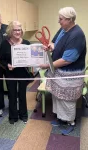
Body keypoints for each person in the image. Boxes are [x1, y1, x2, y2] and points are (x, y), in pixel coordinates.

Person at [40, 7, 86, 135]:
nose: (58, 21)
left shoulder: (77, 35)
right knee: (58, 96)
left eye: (61, 19)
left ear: (70, 20)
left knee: (67, 100)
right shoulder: (64, 29)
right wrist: (51, 46)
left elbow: (67, 60)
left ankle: (70, 122)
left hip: (70, 75)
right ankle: (61, 118)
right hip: (59, 73)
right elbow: (55, 43)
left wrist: (47, 65)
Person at [0, 21, 30, 124]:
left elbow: (31, 58)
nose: (17, 32)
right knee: (12, 94)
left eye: (19, 30)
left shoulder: (26, 43)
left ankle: (23, 115)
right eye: (15, 30)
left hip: (22, 73)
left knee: (22, 94)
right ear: (10, 31)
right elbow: (1, 59)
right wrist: (7, 65)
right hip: (10, 73)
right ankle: (13, 117)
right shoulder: (5, 43)